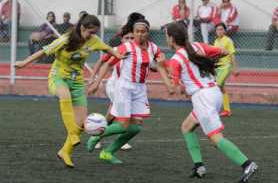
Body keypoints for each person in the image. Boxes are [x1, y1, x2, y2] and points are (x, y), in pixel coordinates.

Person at [15, 14, 125, 168]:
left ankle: (65, 152)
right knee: (64, 96)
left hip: (77, 83)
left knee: (81, 123)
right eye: (90, 32)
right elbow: (43, 51)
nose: (92, 36)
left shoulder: (94, 41)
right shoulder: (65, 40)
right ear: (82, 27)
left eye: (95, 33)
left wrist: (119, 55)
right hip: (58, 77)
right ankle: (72, 134)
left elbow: (107, 49)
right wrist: (24, 63)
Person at [163, 22, 258, 183]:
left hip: (203, 98)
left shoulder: (176, 60)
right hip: (214, 93)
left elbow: (174, 90)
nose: (166, 39)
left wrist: (161, 69)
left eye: (166, 36)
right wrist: (206, 62)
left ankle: (247, 164)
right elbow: (224, 52)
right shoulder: (198, 47)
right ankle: (199, 166)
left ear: (171, 38)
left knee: (215, 137)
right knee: (187, 127)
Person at [86, 19, 173, 164]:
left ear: (147, 33)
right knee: (123, 125)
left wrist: (171, 74)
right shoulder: (125, 47)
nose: (139, 34)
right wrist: (96, 82)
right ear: (133, 32)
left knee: (135, 128)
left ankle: (107, 153)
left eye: (142, 31)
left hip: (140, 89)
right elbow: (108, 63)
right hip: (124, 88)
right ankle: (96, 135)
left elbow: (162, 64)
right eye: (137, 31)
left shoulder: (153, 48)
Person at [89, 27, 135, 151]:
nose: (129, 40)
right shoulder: (116, 50)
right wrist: (93, 77)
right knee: (122, 113)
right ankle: (119, 138)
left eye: (132, 38)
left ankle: (96, 136)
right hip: (114, 86)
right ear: (121, 39)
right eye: (127, 38)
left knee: (111, 115)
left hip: (126, 88)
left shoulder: (138, 51)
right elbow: (101, 61)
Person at [214, 23, 238, 117]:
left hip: (225, 67)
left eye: (221, 29)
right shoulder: (216, 41)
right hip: (217, 67)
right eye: (217, 30)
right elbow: (215, 55)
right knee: (221, 88)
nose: (219, 31)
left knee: (217, 86)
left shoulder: (228, 41)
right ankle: (227, 110)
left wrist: (235, 68)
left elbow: (232, 55)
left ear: (224, 30)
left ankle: (215, 108)